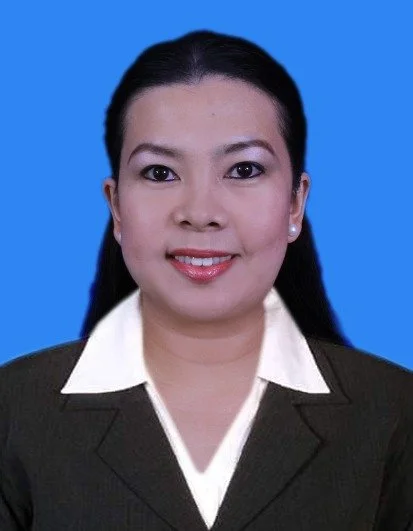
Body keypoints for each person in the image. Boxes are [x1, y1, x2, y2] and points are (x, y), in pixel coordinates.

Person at [1, 29, 412, 531]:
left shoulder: (394, 411)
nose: (200, 213)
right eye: (159, 173)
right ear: (116, 206)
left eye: (243, 170)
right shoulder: (13, 409)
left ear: (295, 203)